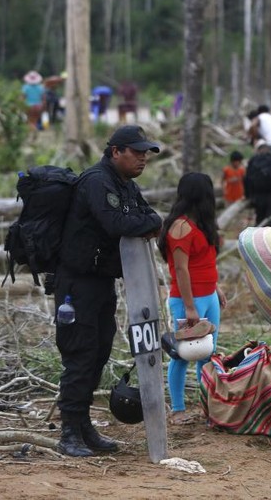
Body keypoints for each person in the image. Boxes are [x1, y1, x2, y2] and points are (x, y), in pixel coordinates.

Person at [54, 125, 163, 457]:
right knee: (81, 355)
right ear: (116, 151)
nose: (143, 157)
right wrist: (147, 224)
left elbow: (150, 216)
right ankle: (69, 432)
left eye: (146, 152)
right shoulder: (97, 181)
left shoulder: (125, 185)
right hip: (77, 285)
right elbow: (118, 225)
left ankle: (84, 427)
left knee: (99, 353)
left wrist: (148, 223)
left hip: (101, 282)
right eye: (137, 151)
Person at [157, 172, 227, 426]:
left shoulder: (202, 223)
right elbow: (181, 269)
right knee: (182, 354)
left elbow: (203, 261)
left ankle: (206, 405)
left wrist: (215, 287)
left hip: (208, 295)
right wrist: (189, 307)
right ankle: (177, 409)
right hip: (188, 300)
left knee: (208, 353)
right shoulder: (180, 227)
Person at [244, 142, 271, 227]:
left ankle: (261, 238)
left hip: (258, 197)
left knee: (261, 221)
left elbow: (247, 179)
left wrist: (248, 195)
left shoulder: (253, 161)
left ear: (258, 150)